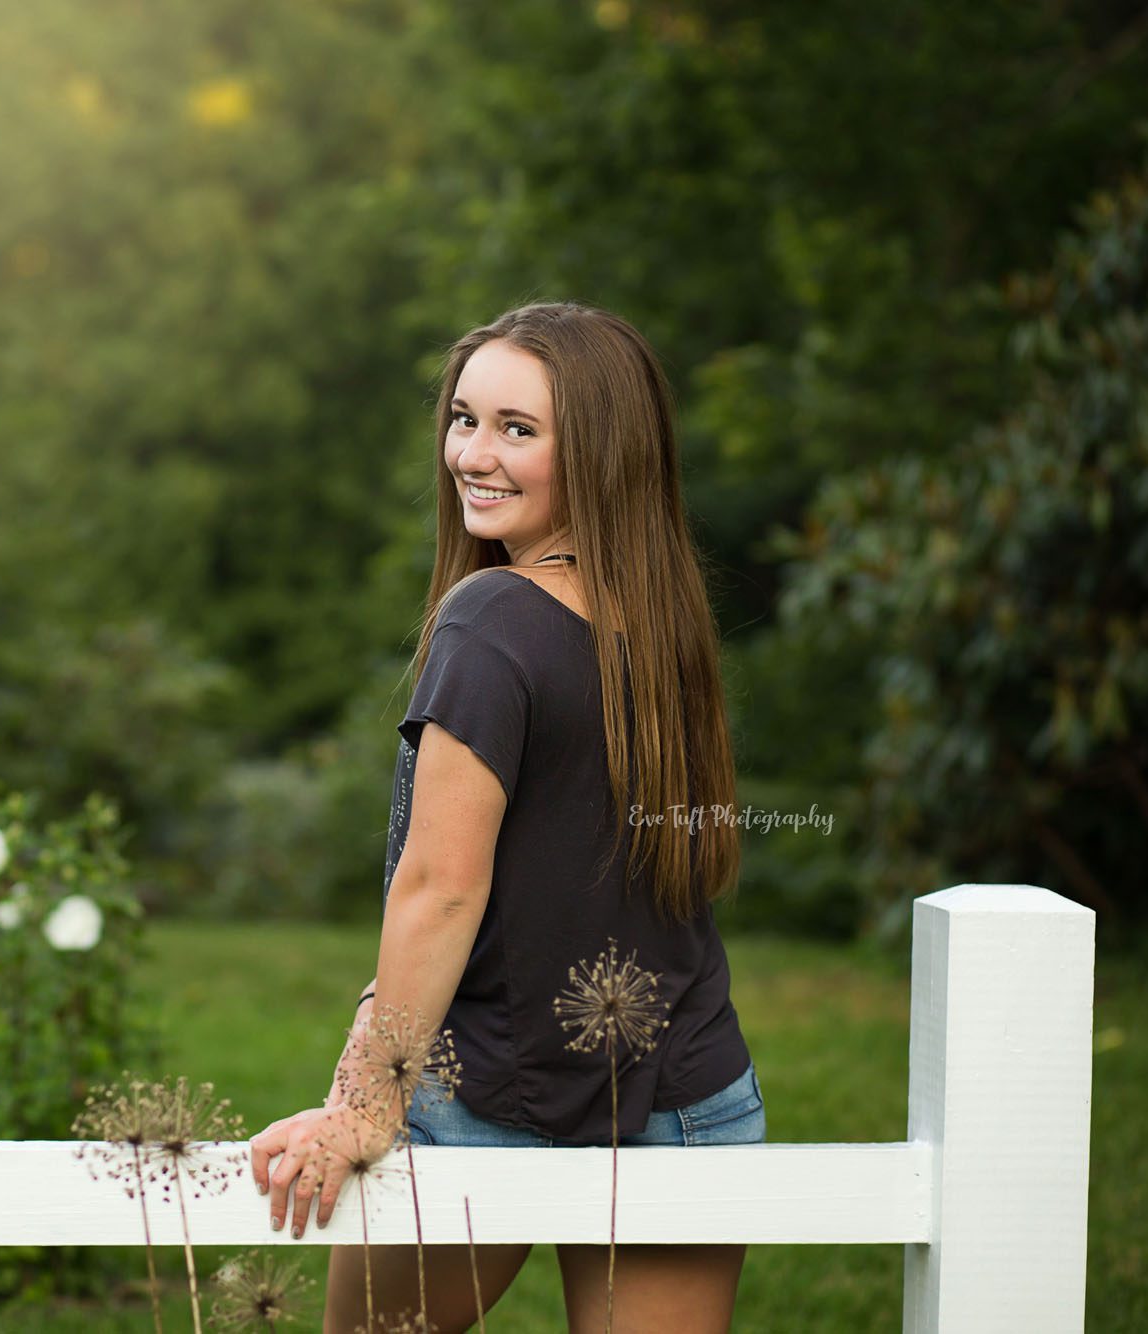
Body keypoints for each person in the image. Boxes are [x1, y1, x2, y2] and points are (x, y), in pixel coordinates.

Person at [247, 301, 763, 1334]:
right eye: (464, 418)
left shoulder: (490, 619)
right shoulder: (660, 620)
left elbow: (441, 887)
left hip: (492, 1088)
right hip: (685, 1089)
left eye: (517, 429)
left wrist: (368, 1103)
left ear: (600, 453)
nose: (472, 455)